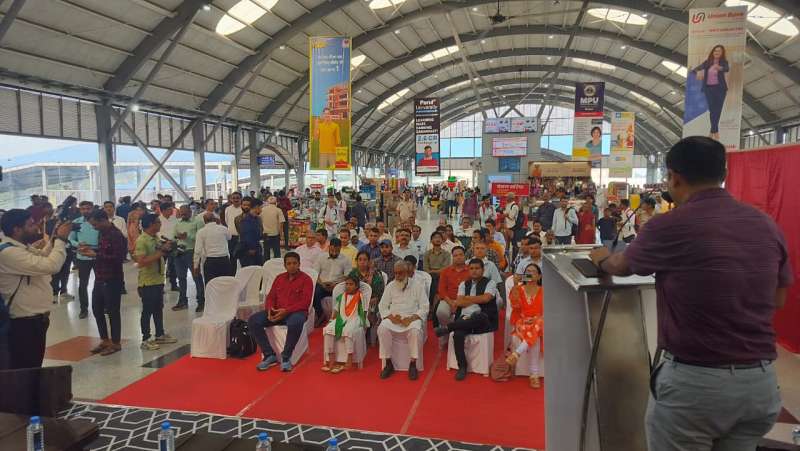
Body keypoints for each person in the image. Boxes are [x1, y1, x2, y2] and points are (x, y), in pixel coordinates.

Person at [589, 136, 792, 451]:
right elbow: (778, 299)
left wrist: (601, 258)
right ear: (723, 174)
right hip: (759, 385)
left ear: (674, 177)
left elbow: (622, 266)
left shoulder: (669, 226)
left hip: (696, 386)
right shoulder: (766, 224)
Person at [0, 209, 70, 369]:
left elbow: (43, 256)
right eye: (31, 225)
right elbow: (51, 265)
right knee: (26, 370)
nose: (36, 228)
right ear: (17, 229)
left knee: (33, 366)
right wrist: (61, 240)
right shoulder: (8, 252)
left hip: (34, 321)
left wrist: (54, 237)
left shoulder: (18, 247)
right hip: (23, 324)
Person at [434, 258, 499, 381]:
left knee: (480, 316)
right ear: (469, 270)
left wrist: (467, 298)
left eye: (477, 268)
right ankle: (462, 366)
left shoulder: (490, 283)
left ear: (483, 270)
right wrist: (475, 299)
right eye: (471, 268)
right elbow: (459, 302)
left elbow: (486, 299)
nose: (474, 271)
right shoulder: (464, 284)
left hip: (482, 318)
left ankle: (448, 327)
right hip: (464, 318)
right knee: (458, 335)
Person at [248, 252, 313, 373]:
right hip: (277, 311)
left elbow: (306, 302)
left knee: (295, 322)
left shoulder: (306, 280)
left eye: (294, 263)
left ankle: (286, 357)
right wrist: (269, 309)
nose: (292, 266)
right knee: (253, 320)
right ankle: (269, 355)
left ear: (299, 264)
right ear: (285, 265)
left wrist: (286, 311)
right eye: (289, 263)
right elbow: (271, 297)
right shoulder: (279, 278)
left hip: (296, 312)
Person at [82, 209, 126, 356]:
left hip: (112, 278)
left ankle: (116, 342)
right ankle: (105, 340)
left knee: (113, 311)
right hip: (100, 277)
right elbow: (104, 251)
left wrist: (96, 255)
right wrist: (91, 249)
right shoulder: (102, 233)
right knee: (97, 308)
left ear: (103, 220)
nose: (94, 228)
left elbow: (118, 258)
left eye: (95, 225)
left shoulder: (116, 235)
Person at [377, 261, 429, 380]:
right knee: (382, 329)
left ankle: (413, 364)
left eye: (400, 273)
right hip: (394, 319)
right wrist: (391, 317)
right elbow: (382, 306)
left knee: (415, 332)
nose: (397, 276)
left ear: (407, 273)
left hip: (411, 318)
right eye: (395, 273)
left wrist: (411, 318)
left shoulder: (417, 285)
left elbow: (425, 307)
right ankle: (388, 363)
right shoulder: (390, 286)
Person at [134, 214, 178, 351]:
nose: (160, 224)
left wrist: (168, 248)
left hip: (158, 279)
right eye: (158, 222)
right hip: (147, 281)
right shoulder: (142, 240)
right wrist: (161, 252)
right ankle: (146, 338)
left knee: (158, 308)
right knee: (147, 310)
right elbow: (141, 262)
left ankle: (159, 334)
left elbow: (160, 252)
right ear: (151, 224)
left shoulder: (155, 238)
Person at [506, 263, 544, 389]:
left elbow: (548, 311)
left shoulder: (544, 291)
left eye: (533, 271)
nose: (530, 273)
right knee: (535, 335)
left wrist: (536, 318)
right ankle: (534, 375)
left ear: (539, 276)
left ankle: (516, 353)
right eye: (527, 271)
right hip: (521, 322)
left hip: (538, 322)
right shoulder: (518, 289)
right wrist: (515, 285)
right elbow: (515, 306)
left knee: (538, 325)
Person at [322, 275, 368, 373]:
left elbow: (364, 311)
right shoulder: (342, 296)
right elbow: (335, 310)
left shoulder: (360, 296)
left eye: (351, 284)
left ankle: (349, 358)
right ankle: (331, 357)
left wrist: (363, 323)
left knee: (348, 331)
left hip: (355, 319)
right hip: (341, 318)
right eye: (346, 284)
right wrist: (331, 320)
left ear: (356, 286)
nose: (348, 286)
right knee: (328, 329)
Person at [691, 45, 729, 141]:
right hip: (709, 89)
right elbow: (694, 70)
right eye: (715, 50)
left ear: (722, 53)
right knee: (712, 110)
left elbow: (726, 69)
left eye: (719, 51)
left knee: (718, 110)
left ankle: (712, 132)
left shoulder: (723, 62)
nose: (717, 52)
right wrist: (698, 73)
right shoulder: (707, 62)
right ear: (713, 52)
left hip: (720, 89)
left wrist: (719, 67)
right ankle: (715, 131)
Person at [69, 200, 99, 319]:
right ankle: (83, 309)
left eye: (88, 208)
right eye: (83, 209)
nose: (86, 211)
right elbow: (70, 239)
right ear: (80, 210)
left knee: (100, 282)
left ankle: (101, 306)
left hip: (97, 255)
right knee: (83, 284)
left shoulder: (97, 221)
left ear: (92, 209)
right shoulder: (76, 222)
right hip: (82, 256)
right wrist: (78, 244)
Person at [172, 205, 204, 312]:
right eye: (181, 213)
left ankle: (201, 302)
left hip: (192, 252)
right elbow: (174, 236)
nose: (183, 215)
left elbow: (201, 237)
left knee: (196, 277)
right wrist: (175, 238)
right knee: (181, 278)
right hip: (179, 252)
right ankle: (182, 302)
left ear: (190, 212)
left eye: (185, 213)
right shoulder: (177, 223)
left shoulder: (197, 222)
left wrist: (188, 237)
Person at [313, 238, 351, 327]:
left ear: (340, 248)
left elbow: (347, 276)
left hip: (337, 285)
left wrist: (336, 284)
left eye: (337, 251)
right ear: (329, 247)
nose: (334, 253)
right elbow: (315, 274)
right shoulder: (321, 257)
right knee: (315, 292)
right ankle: (320, 315)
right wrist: (322, 284)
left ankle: (338, 318)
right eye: (332, 250)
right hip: (322, 284)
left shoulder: (345, 259)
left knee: (342, 292)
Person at [351, 250, 385, 347]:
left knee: (371, 309)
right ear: (356, 261)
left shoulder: (376, 273)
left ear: (369, 261)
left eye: (365, 260)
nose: (362, 262)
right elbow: (349, 289)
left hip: (373, 301)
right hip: (357, 300)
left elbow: (381, 290)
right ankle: (357, 334)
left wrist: (376, 298)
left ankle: (368, 333)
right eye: (360, 259)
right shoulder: (353, 274)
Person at [435, 246, 471, 335]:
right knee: (441, 312)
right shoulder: (445, 271)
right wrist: (451, 303)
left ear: (465, 256)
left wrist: (460, 303)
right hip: (448, 300)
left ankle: (457, 332)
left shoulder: (471, 270)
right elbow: (441, 290)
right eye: (455, 255)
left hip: (466, 300)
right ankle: (446, 333)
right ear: (452, 257)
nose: (458, 257)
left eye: (461, 255)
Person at [192, 213, 232, 290]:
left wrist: (196, 266)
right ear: (215, 219)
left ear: (204, 221)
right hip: (224, 260)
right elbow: (229, 237)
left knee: (211, 287)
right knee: (225, 285)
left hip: (210, 262)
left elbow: (197, 250)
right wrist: (220, 224)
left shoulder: (201, 232)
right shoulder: (223, 229)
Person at [423, 231, 451, 304]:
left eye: (439, 237)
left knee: (436, 279)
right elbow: (425, 268)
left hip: (442, 275)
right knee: (432, 279)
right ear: (431, 240)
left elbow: (445, 268)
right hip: (429, 276)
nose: (437, 239)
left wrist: (433, 271)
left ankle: (432, 303)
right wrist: (432, 273)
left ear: (442, 240)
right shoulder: (427, 254)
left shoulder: (446, 254)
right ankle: (434, 302)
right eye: (435, 237)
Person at [158, 202, 179, 291]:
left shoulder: (174, 219)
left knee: (173, 266)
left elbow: (177, 230)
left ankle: (174, 285)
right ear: (163, 211)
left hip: (173, 244)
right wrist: (165, 241)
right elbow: (157, 233)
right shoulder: (158, 220)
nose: (172, 211)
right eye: (169, 209)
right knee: (161, 267)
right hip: (161, 244)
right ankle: (160, 287)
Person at [239, 198, 264, 267]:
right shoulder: (247, 220)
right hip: (249, 252)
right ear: (256, 207)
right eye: (261, 208)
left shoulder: (257, 219)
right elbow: (247, 236)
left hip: (257, 249)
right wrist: (251, 248)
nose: (261, 210)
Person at [223, 192, 243, 274]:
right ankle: (232, 276)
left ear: (241, 199)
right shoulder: (227, 209)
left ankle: (244, 275)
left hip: (242, 237)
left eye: (237, 198)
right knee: (232, 257)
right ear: (231, 199)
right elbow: (227, 221)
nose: (235, 200)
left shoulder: (243, 209)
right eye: (234, 198)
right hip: (232, 237)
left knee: (243, 257)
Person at [261, 196, 285, 261]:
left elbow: (259, 221)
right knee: (276, 252)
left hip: (265, 234)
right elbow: (281, 223)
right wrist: (281, 235)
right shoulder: (278, 210)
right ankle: (277, 265)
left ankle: (266, 265)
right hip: (275, 234)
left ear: (268, 202)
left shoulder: (262, 209)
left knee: (266, 252)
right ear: (276, 202)